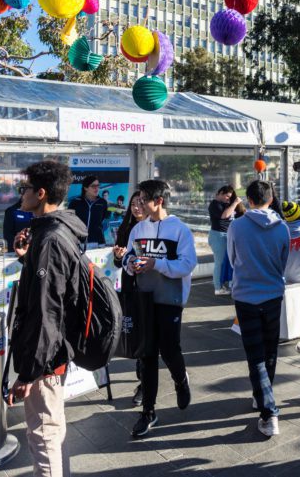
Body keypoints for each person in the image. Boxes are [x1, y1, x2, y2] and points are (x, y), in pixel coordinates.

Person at [8, 160, 88, 477]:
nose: (20, 194)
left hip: (47, 357)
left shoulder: (51, 240)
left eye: (24, 189)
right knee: (50, 427)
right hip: (54, 352)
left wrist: (29, 373)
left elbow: (46, 313)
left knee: (43, 435)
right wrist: (28, 259)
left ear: (40, 194)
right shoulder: (56, 232)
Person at [123, 179, 197, 438]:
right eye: (138, 199)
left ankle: (181, 379)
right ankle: (148, 411)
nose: (139, 204)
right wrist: (131, 264)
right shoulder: (137, 229)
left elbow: (187, 265)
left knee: (169, 348)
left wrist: (157, 265)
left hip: (171, 299)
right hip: (144, 299)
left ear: (159, 201)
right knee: (147, 354)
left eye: (143, 199)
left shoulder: (179, 230)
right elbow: (128, 258)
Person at [227, 181, 290, 437]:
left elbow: (232, 260)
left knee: (255, 355)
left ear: (248, 199)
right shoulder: (282, 227)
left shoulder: (236, 226)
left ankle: (269, 411)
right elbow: (283, 261)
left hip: (245, 297)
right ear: (271, 197)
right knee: (270, 350)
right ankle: (263, 395)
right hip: (273, 294)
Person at [113, 191, 146, 406]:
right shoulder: (126, 228)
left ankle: (145, 384)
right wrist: (119, 256)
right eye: (133, 204)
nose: (136, 208)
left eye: (140, 203)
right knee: (135, 335)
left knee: (147, 337)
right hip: (129, 288)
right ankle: (143, 381)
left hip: (148, 289)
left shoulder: (152, 230)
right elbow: (118, 264)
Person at [207, 185, 244, 296]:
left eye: (230, 197)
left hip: (228, 235)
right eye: (227, 196)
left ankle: (229, 284)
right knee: (220, 262)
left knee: (230, 261)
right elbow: (224, 216)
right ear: (221, 193)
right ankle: (218, 288)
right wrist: (234, 203)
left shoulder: (227, 204)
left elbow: (239, 214)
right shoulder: (214, 204)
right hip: (218, 236)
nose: (228, 199)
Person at [67, 175, 108, 247]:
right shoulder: (75, 202)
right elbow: (70, 222)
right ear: (85, 188)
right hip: (79, 242)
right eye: (93, 186)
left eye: (98, 186)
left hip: (98, 241)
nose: (97, 188)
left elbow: (102, 219)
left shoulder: (102, 202)